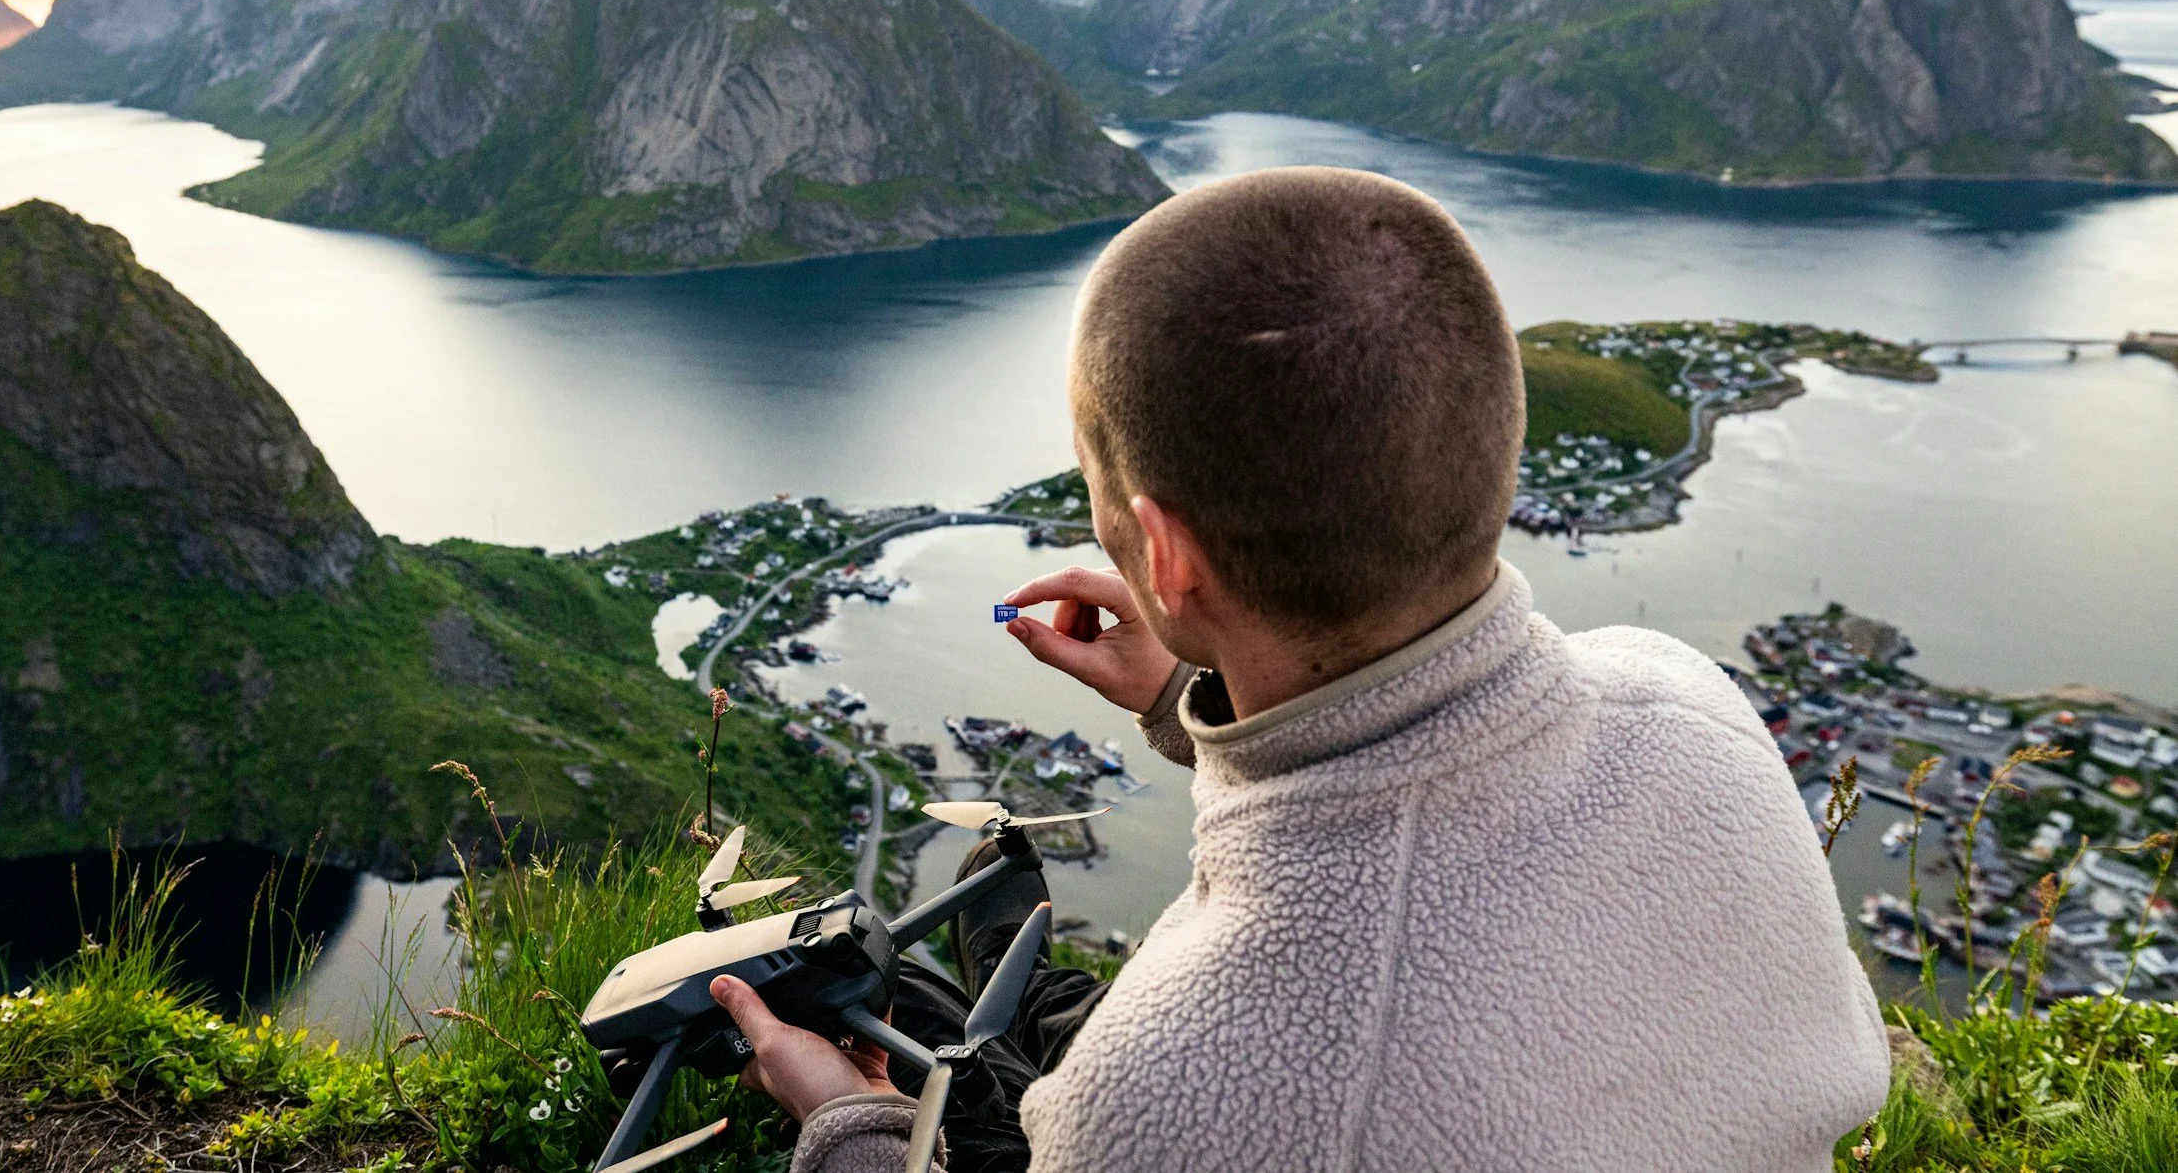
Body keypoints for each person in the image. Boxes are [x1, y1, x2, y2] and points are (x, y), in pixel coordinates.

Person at [707, 167, 1891, 1173]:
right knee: (1009, 1006)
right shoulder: (1690, 705)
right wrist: (1184, 688)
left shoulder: (1174, 1099)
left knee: (932, 1034)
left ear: (1164, 553)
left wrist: (845, 1122)